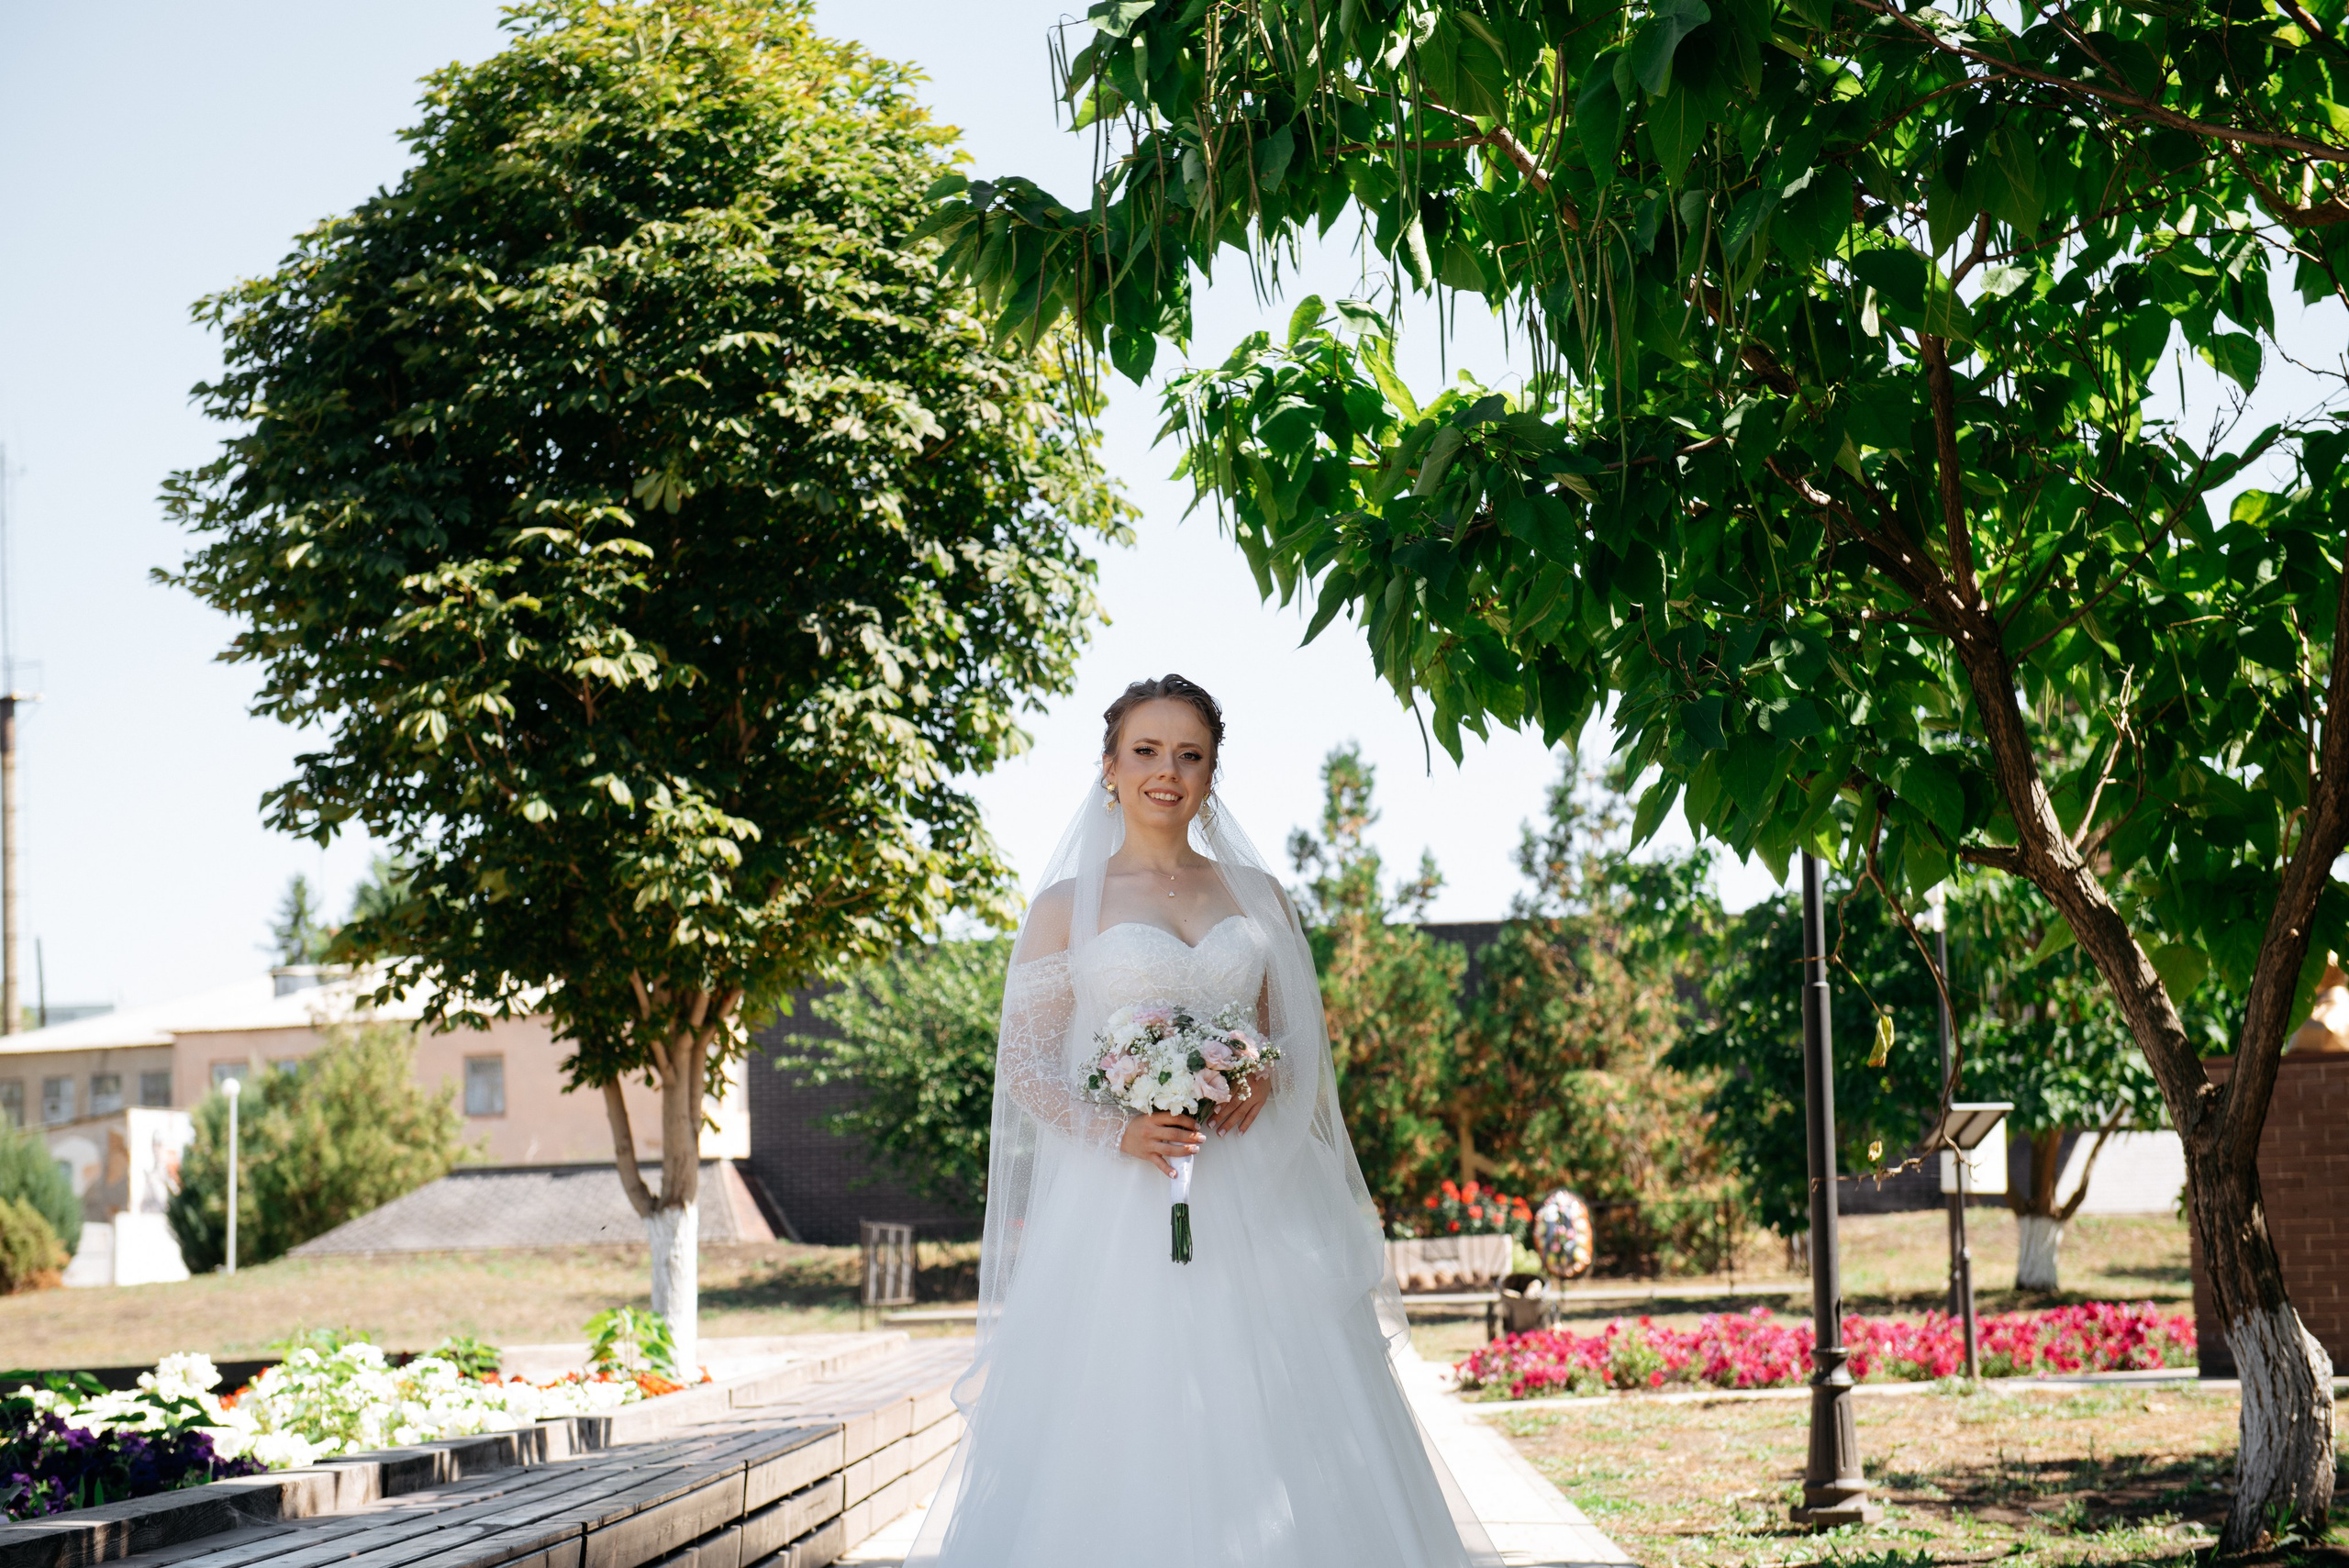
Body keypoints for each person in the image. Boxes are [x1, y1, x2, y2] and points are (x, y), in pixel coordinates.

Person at [907, 675, 1497, 1567]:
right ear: (1109, 766)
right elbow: (1024, 1063)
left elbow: (1293, 1032)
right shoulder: (1068, 905)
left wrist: (1267, 1069)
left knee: (1282, 1396)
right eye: (1145, 750)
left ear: (1212, 771)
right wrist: (1119, 1128)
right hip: (1124, 1194)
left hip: (1254, 1184)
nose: (1166, 771)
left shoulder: (1255, 890)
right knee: (1135, 1393)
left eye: (1189, 753)